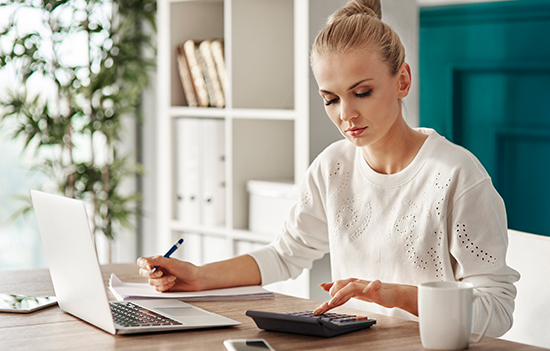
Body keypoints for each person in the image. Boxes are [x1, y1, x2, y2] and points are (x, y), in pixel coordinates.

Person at [137, 0, 519, 337]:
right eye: (330, 99)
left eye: (362, 92)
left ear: (402, 80)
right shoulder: (333, 167)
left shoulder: (457, 176)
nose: (346, 114)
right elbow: (285, 254)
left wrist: (397, 295)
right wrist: (199, 276)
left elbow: (497, 311)